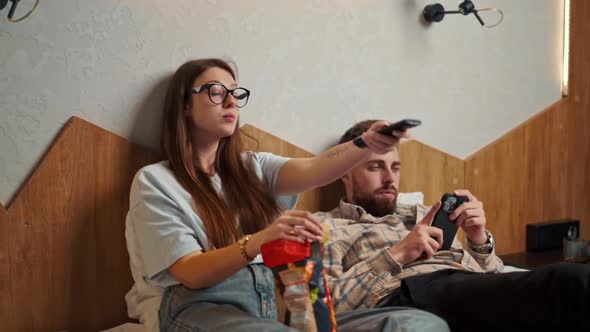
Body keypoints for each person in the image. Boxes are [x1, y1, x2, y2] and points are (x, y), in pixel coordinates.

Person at [124, 59, 450, 332]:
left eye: (236, 93)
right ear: (184, 104)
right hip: (195, 308)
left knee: (418, 324)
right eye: (215, 92)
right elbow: (190, 273)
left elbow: (317, 168)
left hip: (268, 311)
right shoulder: (156, 181)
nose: (230, 102)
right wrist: (258, 241)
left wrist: (366, 143)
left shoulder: (252, 167)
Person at [316, 119, 590, 332]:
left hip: (463, 288)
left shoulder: (427, 214)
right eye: (376, 167)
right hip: (405, 293)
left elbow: (495, 277)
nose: (390, 179)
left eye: (395, 168)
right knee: (569, 283)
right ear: (345, 173)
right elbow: (323, 305)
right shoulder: (326, 227)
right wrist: (398, 253)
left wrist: (478, 238)